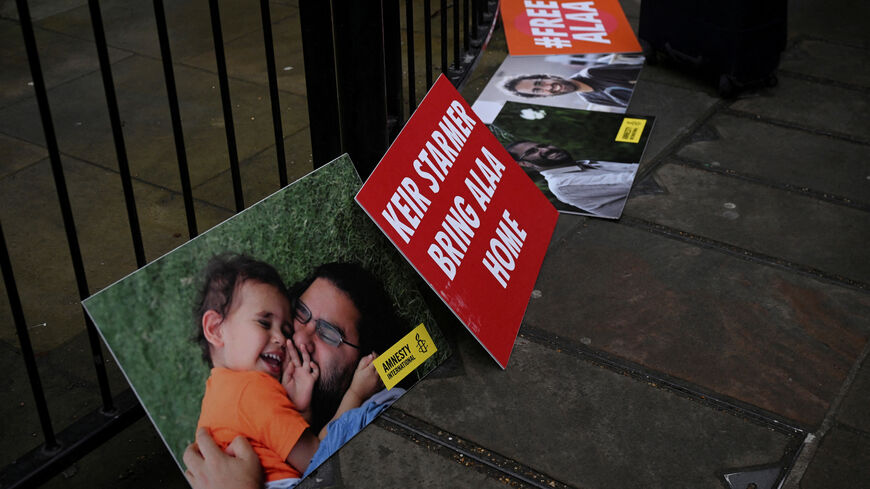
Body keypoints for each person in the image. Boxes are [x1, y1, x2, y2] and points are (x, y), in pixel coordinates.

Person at [187, 260, 406, 487]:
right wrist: (355, 395)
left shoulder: (384, 413)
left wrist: (301, 415)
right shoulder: (250, 395)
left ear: (365, 360)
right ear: (215, 329)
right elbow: (320, 458)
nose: (295, 339)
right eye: (301, 313)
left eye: (329, 333)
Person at [505, 140, 638, 218]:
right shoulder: (562, 184)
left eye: (543, 145)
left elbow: (634, 169)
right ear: (524, 163)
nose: (545, 149)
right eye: (531, 152)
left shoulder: (582, 163)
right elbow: (634, 181)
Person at [502, 63, 641, 108]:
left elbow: (643, 72)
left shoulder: (592, 73)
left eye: (540, 83)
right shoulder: (588, 98)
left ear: (547, 76)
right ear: (543, 96)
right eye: (538, 90)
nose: (548, 87)